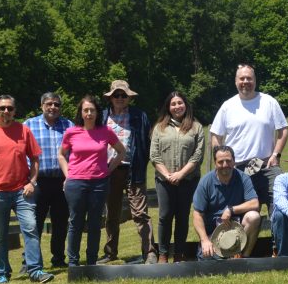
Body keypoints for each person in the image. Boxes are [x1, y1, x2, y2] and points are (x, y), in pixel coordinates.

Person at [0, 95, 54, 284]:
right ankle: (3, 273)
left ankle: (35, 270)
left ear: (14, 111)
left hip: (22, 192)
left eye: (10, 108)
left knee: (31, 229)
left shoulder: (24, 131)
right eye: (2, 108)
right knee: (0, 236)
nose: (6, 111)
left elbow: (35, 158)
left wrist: (32, 182)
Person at [210, 64, 288, 211]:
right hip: (238, 168)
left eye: (249, 78)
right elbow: (215, 135)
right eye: (242, 78)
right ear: (236, 81)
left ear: (255, 80)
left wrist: (276, 155)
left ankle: (279, 227)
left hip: (267, 165)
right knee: (247, 213)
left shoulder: (269, 102)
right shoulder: (228, 106)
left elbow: (283, 130)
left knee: (280, 205)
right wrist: (223, 160)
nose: (245, 81)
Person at [58, 95, 125, 267]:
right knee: (75, 222)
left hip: (99, 183)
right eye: (86, 110)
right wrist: (67, 175)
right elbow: (61, 155)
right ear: (81, 112)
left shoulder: (106, 131)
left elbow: (121, 151)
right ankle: (73, 262)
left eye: (92, 110)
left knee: (95, 223)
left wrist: (109, 169)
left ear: (97, 112)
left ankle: (91, 262)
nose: (89, 113)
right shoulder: (71, 132)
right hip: (76, 183)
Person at [102, 80, 157, 264]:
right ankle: (110, 252)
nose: (120, 98)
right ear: (110, 98)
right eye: (116, 95)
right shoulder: (102, 116)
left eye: (123, 95)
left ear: (129, 98)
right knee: (112, 214)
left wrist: (141, 162)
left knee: (140, 213)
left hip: (134, 170)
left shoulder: (139, 116)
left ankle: (149, 252)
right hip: (110, 170)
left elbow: (147, 143)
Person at [150, 91, 205, 263]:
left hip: (188, 180)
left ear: (185, 105)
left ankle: (179, 254)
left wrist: (181, 174)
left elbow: (198, 155)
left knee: (182, 217)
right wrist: (168, 175)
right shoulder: (159, 128)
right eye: (173, 104)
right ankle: (163, 254)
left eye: (180, 103)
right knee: (165, 216)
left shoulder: (196, 127)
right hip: (164, 181)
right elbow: (154, 156)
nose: (177, 106)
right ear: (168, 107)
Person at [21, 92, 72, 272]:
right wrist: (29, 179)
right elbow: (22, 153)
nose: (53, 107)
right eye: (49, 104)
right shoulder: (29, 125)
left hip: (61, 181)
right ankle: (29, 262)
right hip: (37, 182)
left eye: (56, 104)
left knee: (60, 223)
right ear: (42, 105)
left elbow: (74, 153)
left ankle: (58, 258)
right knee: (34, 223)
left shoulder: (69, 125)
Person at [192, 145, 262, 259]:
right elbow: (197, 215)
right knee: (207, 258)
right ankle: (224, 254)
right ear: (215, 163)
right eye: (220, 162)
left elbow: (255, 203)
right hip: (214, 233)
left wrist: (231, 209)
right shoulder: (205, 182)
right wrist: (204, 240)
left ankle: (242, 257)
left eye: (228, 161)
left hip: (237, 230)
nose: (225, 165)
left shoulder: (243, 178)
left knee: (254, 216)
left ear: (234, 161)